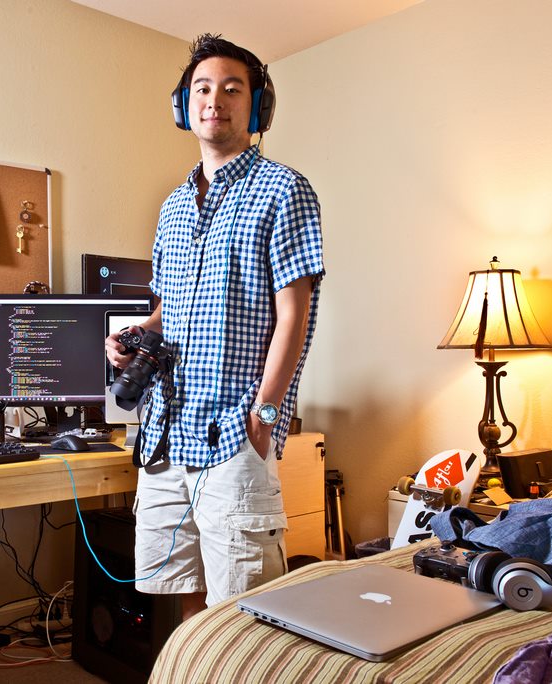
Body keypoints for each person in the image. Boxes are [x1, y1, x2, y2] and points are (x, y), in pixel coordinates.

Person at [105, 33, 324, 620]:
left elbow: (294, 314)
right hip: (165, 432)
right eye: (202, 88)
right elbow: (169, 308)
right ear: (184, 105)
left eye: (232, 89)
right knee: (182, 594)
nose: (214, 100)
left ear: (257, 107)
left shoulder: (285, 189)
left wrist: (265, 414)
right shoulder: (172, 205)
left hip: (233, 431)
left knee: (242, 609)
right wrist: (133, 336)